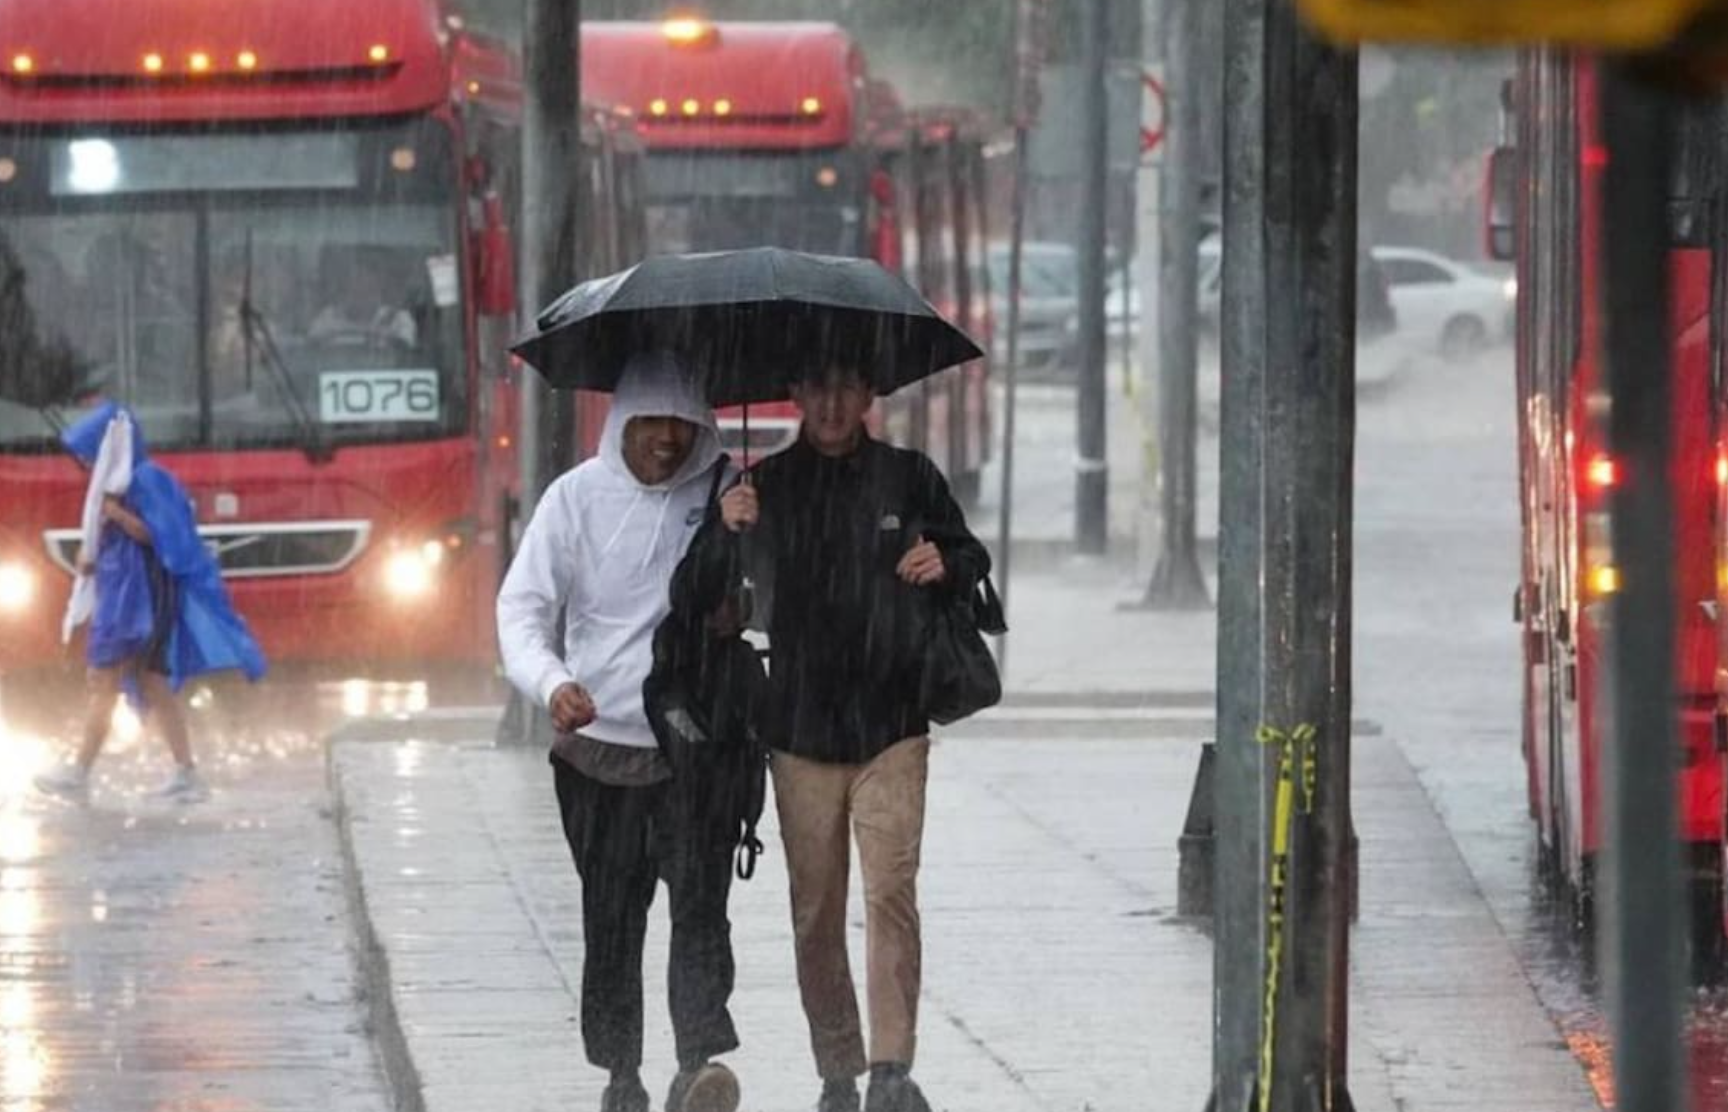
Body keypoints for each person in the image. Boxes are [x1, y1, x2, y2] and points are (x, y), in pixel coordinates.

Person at [672, 363, 990, 1112]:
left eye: (848, 388)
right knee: (815, 910)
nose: (833, 403)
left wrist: (947, 561)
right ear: (798, 396)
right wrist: (727, 527)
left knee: (890, 894)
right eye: (818, 388)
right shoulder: (764, 486)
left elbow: (972, 556)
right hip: (801, 732)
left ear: (870, 397)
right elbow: (694, 594)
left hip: (893, 727)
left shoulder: (910, 476)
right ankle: (838, 1068)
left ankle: (891, 1069)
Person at [496, 353, 743, 1112]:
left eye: (682, 424)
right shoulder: (573, 501)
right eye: (650, 423)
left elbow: (766, 596)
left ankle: (698, 1061)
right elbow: (522, 610)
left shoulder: (727, 495)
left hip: (695, 750)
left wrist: (742, 569)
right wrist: (553, 683)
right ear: (621, 425)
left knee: (700, 907)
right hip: (597, 754)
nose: (666, 440)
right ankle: (622, 1073)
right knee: (611, 917)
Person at [36, 402, 266, 802]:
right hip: (124, 600)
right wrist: (92, 563)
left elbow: (163, 537)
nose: (88, 465)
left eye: (91, 455)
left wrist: (116, 515)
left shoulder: (145, 480)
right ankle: (184, 772)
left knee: (106, 680)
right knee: (150, 682)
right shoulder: (117, 486)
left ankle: (79, 771)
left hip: (142, 601)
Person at [308, 254, 416, 348]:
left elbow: (405, 354)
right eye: (356, 288)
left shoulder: (399, 320)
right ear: (347, 287)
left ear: (380, 288)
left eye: (368, 290)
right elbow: (311, 346)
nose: (361, 295)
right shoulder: (328, 318)